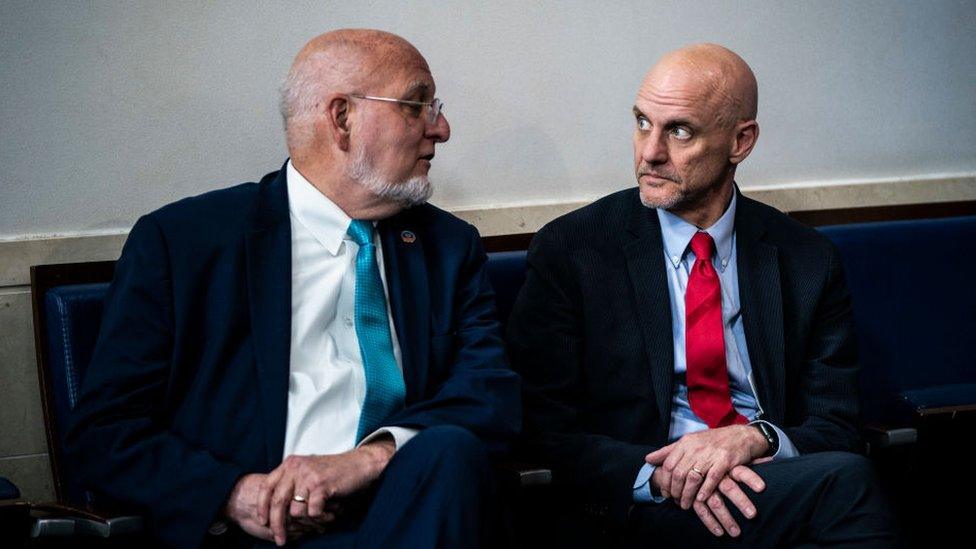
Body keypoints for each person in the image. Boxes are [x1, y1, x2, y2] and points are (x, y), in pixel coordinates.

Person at [67, 29, 520, 548]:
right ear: (342, 118)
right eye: (416, 105)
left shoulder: (448, 247)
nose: (441, 129)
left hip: (407, 508)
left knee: (448, 452)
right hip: (257, 532)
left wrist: (368, 458)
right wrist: (236, 494)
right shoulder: (184, 244)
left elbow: (490, 395)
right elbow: (103, 433)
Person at [507, 43, 899, 547]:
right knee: (847, 490)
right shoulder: (574, 250)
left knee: (843, 484)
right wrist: (669, 475)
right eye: (642, 123)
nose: (650, 151)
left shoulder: (806, 259)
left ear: (741, 141)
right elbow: (541, 426)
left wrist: (754, 437)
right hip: (643, 497)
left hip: (767, 479)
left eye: (679, 130)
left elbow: (837, 422)